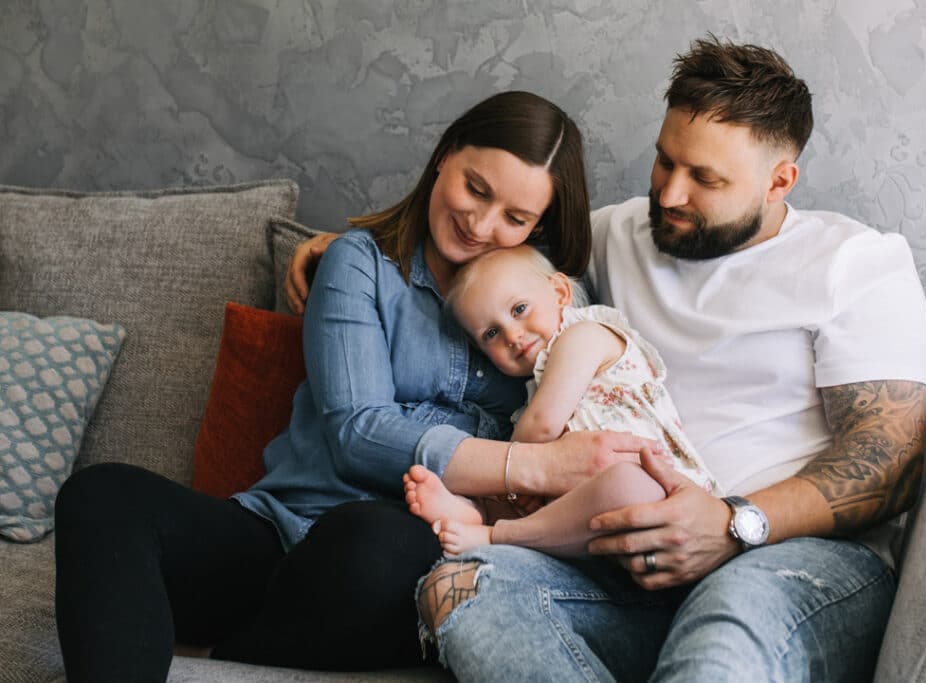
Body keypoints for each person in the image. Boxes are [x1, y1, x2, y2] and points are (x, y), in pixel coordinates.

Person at [287, 37, 926, 680]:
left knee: (721, 645)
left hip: (779, 558)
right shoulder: (619, 233)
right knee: (460, 589)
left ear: (779, 180)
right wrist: (349, 248)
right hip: (618, 560)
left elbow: (890, 461)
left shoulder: (855, 264)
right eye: (665, 161)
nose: (671, 194)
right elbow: (494, 254)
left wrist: (735, 522)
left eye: (705, 178)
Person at [52, 90, 661, 682]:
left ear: (538, 229)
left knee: (380, 544)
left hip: (406, 550)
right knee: (102, 495)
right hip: (283, 530)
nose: (480, 223)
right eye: (475, 188)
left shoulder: (555, 304)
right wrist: (532, 466)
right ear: (445, 155)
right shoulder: (359, 263)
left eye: (515, 217)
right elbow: (356, 433)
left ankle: (227, 648)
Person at [404, 244, 719, 558]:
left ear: (559, 292)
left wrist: (510, 483)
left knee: (624, 483)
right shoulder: (531, 396)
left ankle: (496, 532)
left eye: (519, 310)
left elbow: (542, 425)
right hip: (593, 524)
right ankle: (476, 512)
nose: (512, 335)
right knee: (541, 500)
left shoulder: (584, 335)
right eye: (491, 333)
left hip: (662, 499)